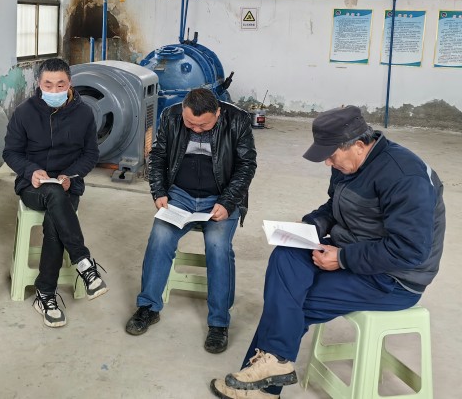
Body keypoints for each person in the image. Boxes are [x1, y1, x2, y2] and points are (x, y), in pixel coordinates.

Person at [209, 105, 446, 399]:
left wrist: (342, 259)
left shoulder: (404, 177)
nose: (327, 163)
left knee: (292, 302)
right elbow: (334, 207)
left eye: (331, 155)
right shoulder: (347, 164)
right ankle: (273, 367)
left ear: (358, 145)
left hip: (394, 278)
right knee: (286, 253)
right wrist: (311, 225)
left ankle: (263, 388)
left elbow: (410, 251)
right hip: (353, 249)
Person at [125, 88, 257, 354]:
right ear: (183, 111)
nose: (196, 130)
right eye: (190, 124)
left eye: (204, 125)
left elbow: (246, 165)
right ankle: (148, 307)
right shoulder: (171, 115)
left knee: (218, 247)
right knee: (160, 238)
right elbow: (158, 156)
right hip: (180, 195)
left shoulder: (238, 120)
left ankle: (219, 322)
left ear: (218, 112)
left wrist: (228, 202)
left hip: (220, 197)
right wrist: (159, 192)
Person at [2, 58, 106, 328]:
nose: (54, 89)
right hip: (33, 186)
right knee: (53, 195)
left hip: (69, 184)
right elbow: (10, 152)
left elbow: (91, 154)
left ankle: (45, 294)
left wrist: (71, 175)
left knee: (54, 219)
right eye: (48, 84)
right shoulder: (24, 112)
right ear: (39, 83)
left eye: (60, 84)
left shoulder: (84, 114)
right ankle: (83, 262)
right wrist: (31, 171)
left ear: (70, 83)